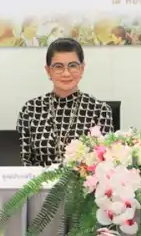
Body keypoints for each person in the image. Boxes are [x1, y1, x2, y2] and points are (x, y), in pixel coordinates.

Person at [17, 38, 114, 166]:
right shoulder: (31, 109)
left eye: (73, 66)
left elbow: (104, 163)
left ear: (82, 69)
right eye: (58, 66)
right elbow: (24, 161)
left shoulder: (99, 110)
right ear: (48, 70)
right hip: (38, 179)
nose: (66, 73)